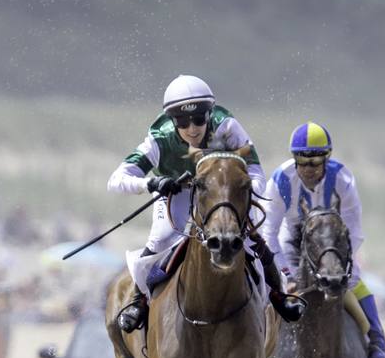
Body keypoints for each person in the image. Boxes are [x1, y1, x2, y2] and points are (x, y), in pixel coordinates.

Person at [107, 74, 302, 333]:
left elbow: (256, 172)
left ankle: (278, 295)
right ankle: (138, 300)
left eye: (199, 118)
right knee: (160, 240)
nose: (192, 128)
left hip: (220, 195)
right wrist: (151, 184)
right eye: (182, 121)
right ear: (171, 120)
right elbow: (116, 180)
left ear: (209, 114)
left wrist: (240, 192)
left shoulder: (227, 127)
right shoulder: (158, 139)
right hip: (178, 194)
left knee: (251, 237)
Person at [263, 121, 385, 358]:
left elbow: (354, 229)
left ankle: (377, 341)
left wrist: (346, 265)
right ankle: (256, 352)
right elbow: (269, 232)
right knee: (265, 285)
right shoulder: (280, 180)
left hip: (332, 241)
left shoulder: (342, 178)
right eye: (302, 161)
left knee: (354, 282)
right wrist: (285, 273)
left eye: (315, 162)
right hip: (292, 243)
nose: (308, 169)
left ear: (327, 158)